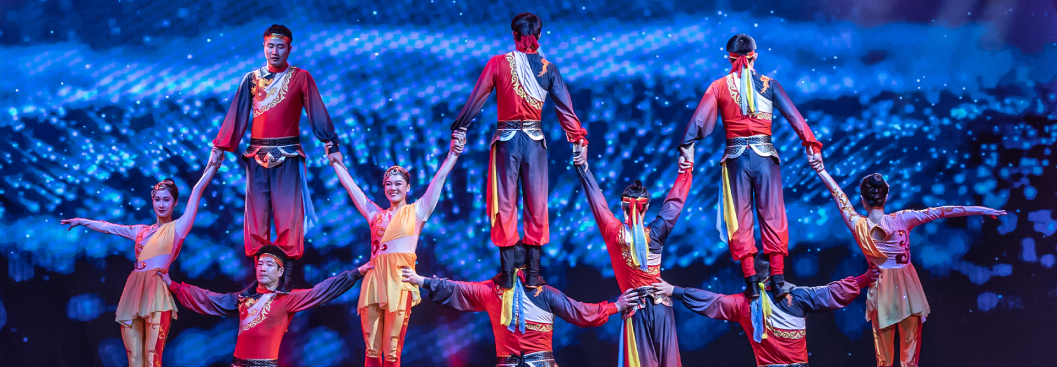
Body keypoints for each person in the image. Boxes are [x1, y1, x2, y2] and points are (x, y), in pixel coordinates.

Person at [807, 153, 1006, 367]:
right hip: (908, 287)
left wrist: (821, 170)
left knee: (884, 358)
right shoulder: (903, 218)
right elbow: (943, 211)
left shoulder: (858, 224)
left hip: (882, 286)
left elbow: (839, 197)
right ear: (886, 197)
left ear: (863, 200)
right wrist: (981, 210)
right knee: (909, 355)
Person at [674, 34, 823, 299]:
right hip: (765, 156)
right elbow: (794, 117)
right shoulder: (770, 84)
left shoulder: (719, 86)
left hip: (735, 158)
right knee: (773, 213)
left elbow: (699, 121)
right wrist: (811, 144)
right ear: (755, 55)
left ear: (729, 58)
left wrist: (687, 146)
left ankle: (752, 282)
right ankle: (777, 280)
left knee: (740, 218)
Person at [448, 12, 590, 288]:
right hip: (535, 143)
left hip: (507, 141)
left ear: (514, 35)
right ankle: (534, 274)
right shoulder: (549, 68)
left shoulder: (498, 63)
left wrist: (460, 128)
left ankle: (508, 273)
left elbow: (477, 98)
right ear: (539, 36)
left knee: (505, 205)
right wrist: (578, 141)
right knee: (537, 204)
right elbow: (566, 110)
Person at [206, 24, 344, 267]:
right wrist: (219, 148)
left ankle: (286, 274)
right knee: (256, 218)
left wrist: (331, 144)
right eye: (271, 46)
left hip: (288, 155)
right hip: (256, 155)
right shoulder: (251, 79)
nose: (275, 51)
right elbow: (235, 117)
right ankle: (259, 274)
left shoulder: (301, 77)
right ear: (264, 46)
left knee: (287, 217)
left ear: (290, 48)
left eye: (281, 47)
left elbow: (317, 113)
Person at [60, 158, 219, 367]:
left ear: (174, 203)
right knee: (134, 358)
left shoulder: (178, 228)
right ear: (152, 201)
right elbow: (109, 227)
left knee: (153, 356)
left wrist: (213, 164)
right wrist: (82, 221)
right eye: (158, 200)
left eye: (166, 200)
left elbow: (197, 191)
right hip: (133, 288)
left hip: (156, 288)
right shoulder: (141, 230)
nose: (161, 204)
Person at [329, 129, 465, 366]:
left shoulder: (417, 210)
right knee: (371, 349)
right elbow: (352, 188)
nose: (393, 188)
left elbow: (440, 178)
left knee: (392, 350)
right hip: (373, 280)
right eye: (388, 184)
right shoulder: (374, 214)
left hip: (399, 281)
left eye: (398, 184)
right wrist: (335, 161)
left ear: (408, 187)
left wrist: (453, 153)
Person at [401, 246, 638, 367]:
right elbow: (580, 312)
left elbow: (456, 288)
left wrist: (421, 280)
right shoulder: (543, 293)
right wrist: (615, 306)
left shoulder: (492, 291)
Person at [160, 245, 371, 367]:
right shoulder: (242, 299)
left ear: (280, 273)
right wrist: (173, 285)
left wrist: (357, 272)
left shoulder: (287, 299)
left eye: (269, 264)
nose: (262, 268)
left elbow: (323, 290)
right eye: (259, 263)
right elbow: (208, 298)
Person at [572, 155, 693, 367]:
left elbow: (596, 200)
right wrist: (686, 172)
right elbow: (675, 203)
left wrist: (582, 166)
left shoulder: (613, 232)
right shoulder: (656, 232)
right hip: (662, 308)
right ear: (646, 208)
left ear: (622, 206)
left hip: (635, 309)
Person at [652, 254, 879, 367]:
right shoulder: (796, 296)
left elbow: (712, 301)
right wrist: (865, 278)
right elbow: (832, 293)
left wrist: (674, 290)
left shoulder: (743, 304)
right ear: (776, 272)